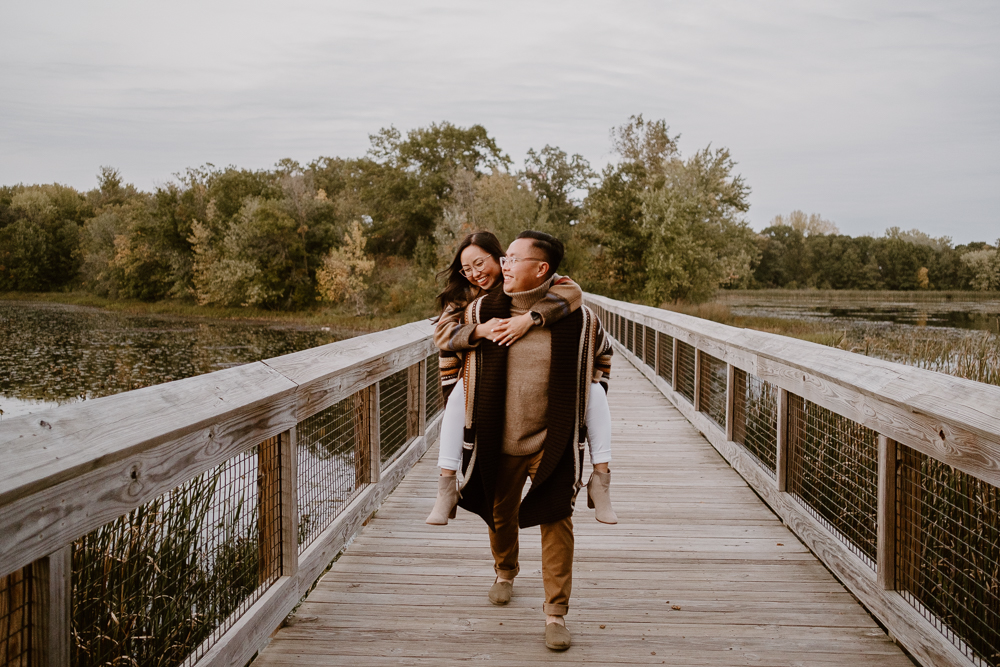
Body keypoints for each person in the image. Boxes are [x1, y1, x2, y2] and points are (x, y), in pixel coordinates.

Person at [452, 230, 614, 651]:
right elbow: (448, 345)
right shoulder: (481, 312)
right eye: (502, 258)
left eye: (512, 258)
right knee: (499, 513)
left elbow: (604, 357)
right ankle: (505, 571)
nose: (502, 265)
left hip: (553, 439)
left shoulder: (581, 319)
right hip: (499, 437)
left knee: (557, 520)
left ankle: (555, 613)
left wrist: (588, 397)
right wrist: (476, 336)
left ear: (541, 269)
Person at [426, 232, 617, 528]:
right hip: (482, 380)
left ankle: (601, 480)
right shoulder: (467, 297)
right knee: (459, 396)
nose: (476, 274)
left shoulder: (522, 278)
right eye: (467, 269)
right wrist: (480, 331)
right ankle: (447, 483)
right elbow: (441, 335)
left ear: (498, 257)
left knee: (591, 389)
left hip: (538, 395)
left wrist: (529, 318)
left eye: (480, 264)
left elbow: (573, 292)